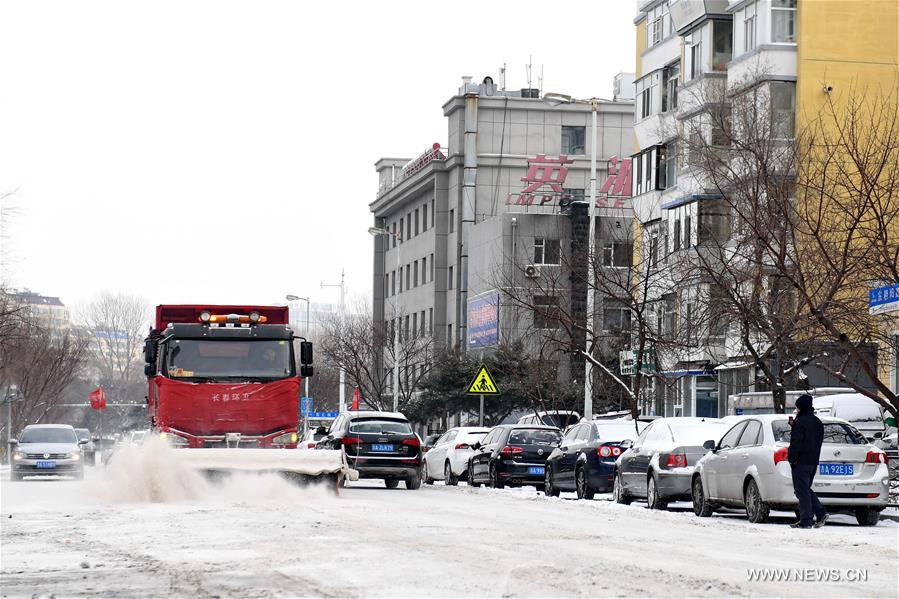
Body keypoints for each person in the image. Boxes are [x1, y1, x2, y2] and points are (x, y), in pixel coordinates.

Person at [788, 394, 827, 529]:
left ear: (802, 407)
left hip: (800, 462)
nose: (797, 410)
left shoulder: (800, 423)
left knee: (802, 491)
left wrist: (792, 459)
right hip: (813, 461)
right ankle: (820, 514)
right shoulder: (817, 422)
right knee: (804, 489)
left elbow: (796, 443)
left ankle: (806, 521)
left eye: (798, 407)